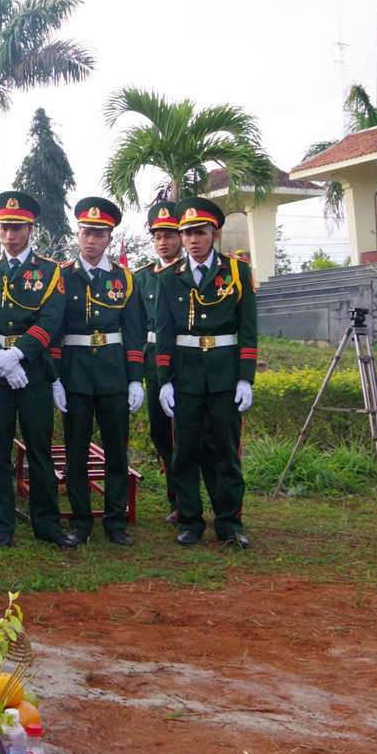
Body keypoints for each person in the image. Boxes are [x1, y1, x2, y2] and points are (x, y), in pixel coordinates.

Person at [0, 191, 78, 549]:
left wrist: (18, 356)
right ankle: (2, 524)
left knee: (39, 447)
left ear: (31, 229)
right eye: (4, 228)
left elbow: (51, 319)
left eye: (17, 228)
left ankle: (47, 523)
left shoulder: (49, 271)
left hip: (33, 372)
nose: (10, 235)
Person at [154, 197, 258, 548]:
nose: (193, 240)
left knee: (226, 451)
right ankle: (191, 520)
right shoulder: (168, 277)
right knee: (185, 450)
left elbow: (249, 327)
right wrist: (165, 380)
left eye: (200, 232)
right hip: (185, 376)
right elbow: (165, 331)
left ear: (215, 233)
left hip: (225, 374)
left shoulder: (237, 271)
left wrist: (246, 377)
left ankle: (229, 523)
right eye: (187, 234)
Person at [51, 198, 147, 546]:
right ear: (77, 234)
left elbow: (134, 331)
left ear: (109, 238)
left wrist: (136, 379)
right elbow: (54, 331)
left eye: (99, 234)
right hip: (74, 374)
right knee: (76, 451)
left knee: (116, 452)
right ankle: (80, 521)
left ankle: (115, 521)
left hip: (113, 375)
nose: (91, 240)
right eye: (86, 232)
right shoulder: (61, 276)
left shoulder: (124, 279)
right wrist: (55, 378)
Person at [132, 201, 197, 525]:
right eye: (157, 235)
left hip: (188, 361)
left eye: (169, 235)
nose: (163, 242)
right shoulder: (141, 278)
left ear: (181, 238)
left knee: (187, 433)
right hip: (155, 363)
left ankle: (189, 500)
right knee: (161, 432)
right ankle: (176, 496)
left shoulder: (192, 272)